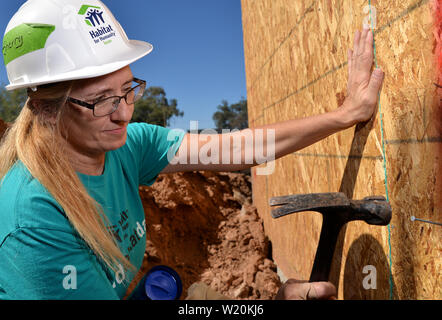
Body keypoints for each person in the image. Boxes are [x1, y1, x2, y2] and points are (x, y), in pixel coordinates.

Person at [0, 0, 383, 300]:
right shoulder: (33, 219)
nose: (123, 114)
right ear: (46, 109)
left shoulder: (126, 144)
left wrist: (346, 114)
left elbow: (241, 148)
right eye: (101, 101)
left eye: (128, 90)